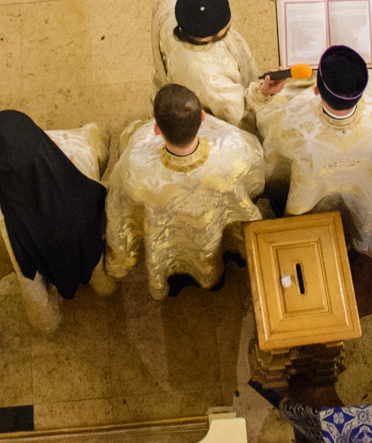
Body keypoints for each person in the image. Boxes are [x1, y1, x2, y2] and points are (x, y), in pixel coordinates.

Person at [102, 83, 268, 299]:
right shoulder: (235, 146)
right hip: (216, 234)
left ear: (157, 129)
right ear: (202, 117)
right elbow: (256, 167)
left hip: (168, 242)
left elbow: (118, 205)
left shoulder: (135, 164)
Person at [0, 111, 111, 331]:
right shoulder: (80, 148)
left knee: (34, 288)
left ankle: (48, 321)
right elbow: (100, 143)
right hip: (84, 241)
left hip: (30, 258)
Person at [255, 44, 372, 258]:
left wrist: (268, 95)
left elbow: (271, 144)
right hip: (369, 189)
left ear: (316, 90)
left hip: (311, 193)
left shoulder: (292, 118)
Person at [151, 0, 258, 129]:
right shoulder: (208, 79)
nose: (231, 19)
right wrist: (260, 94)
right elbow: (234, 115)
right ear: (206, 39)